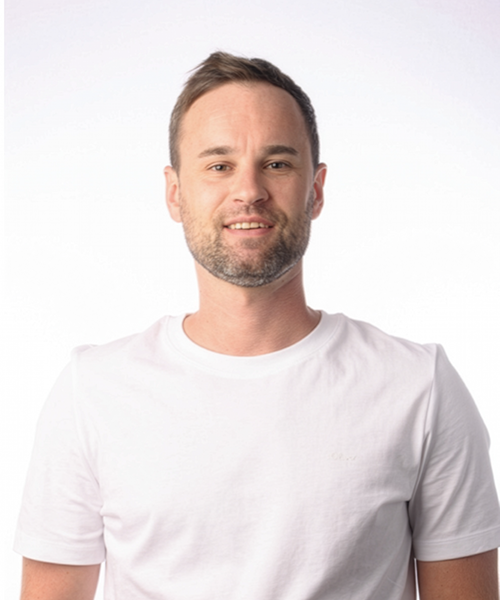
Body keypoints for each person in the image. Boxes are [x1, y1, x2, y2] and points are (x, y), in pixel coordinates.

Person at [15, 51, 500, 600]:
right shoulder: (93, 391)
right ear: (175, 193)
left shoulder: (420, 385)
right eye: (219, 165)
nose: (249, 190)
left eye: (277, 163)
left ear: (316, 189)